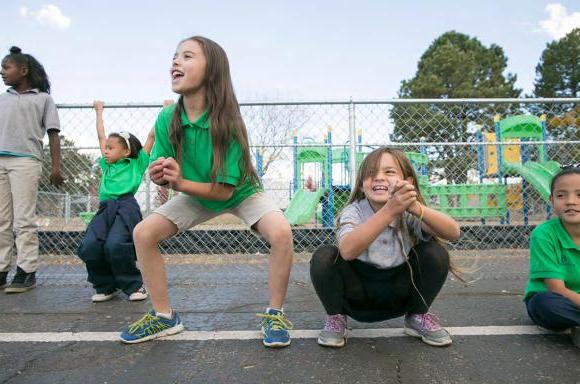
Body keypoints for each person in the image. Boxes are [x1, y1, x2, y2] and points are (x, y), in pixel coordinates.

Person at [119, 36, 294, 347]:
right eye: (174, 56)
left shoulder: (228, 120)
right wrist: (160, 175)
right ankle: (164, 317)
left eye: (187, 56)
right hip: (197, 192)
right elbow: (164, 172)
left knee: (281, 233)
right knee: (143, 233)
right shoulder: (167, 117)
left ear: (212, 71)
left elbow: (225, 192)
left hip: (239, 191)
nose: (175, 62)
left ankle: (275, 313)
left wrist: (178, 183)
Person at [310, 147, 461, 347]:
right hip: (357, 295)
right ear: (362, 186)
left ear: (408, 183)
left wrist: (414, 207)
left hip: (398, 294)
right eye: (371, 174)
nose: (379, 178)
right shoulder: (353, 211)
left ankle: (417, 315)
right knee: (323, 256)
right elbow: (347, 250)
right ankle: (336, 318)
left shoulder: (409, 213)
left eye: (389, 172)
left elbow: (453, 233)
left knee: (436, 253)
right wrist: (389, 211)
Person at [0, 46, 63, 293]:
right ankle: (2, 269)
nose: (2, 72)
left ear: (23, 70)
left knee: (23, 219)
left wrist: (56, 167)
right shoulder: (2, 99)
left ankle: (27, 271)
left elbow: (53, 134)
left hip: (26, 161)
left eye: (6, 67)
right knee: (1, 219)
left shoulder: (43, 99)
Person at [77, 101, 154, 303]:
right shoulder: (107, 165)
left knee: (116, 245)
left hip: (126, 207)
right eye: (105, 148)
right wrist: (99, 112)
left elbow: (151, 137)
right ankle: (106, 285)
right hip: (105, 209)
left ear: (126, 152)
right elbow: (101, 136)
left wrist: (167, 110)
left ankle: (134, 285)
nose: (106, 151)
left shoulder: (137, 164)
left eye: (111, 148)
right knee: (89, 246)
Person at [524, 165, 580, 348]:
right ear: (552, 200)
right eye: (561, 195)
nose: (571, 201)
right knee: (544, 304)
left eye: (579, 195)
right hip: (556, 298)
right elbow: (557, 289)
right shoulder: (543, 234)